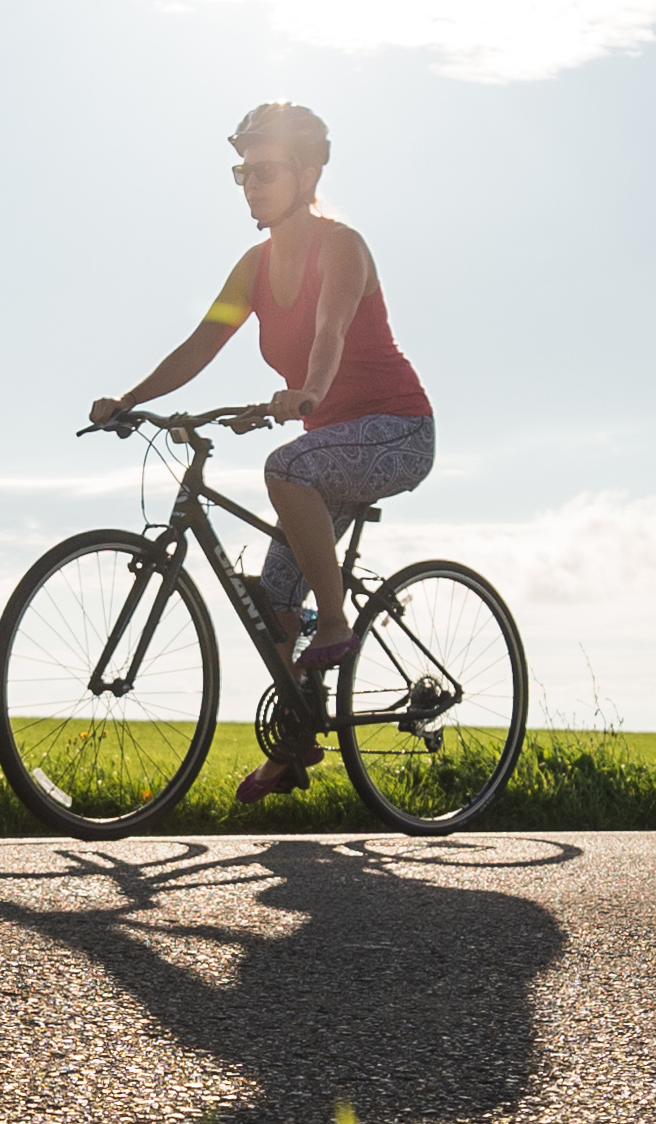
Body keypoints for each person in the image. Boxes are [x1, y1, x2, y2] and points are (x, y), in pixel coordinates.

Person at [87, 101, 436, 801]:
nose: (252, 183)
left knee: (286, 467)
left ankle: (335, 621)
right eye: (243, 170)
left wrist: (306, 390)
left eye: (267, 169)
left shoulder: (342, 246)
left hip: (396, 430)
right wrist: (127, 399)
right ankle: (295, 743)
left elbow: (332, 330)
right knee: (271, 603)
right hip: (328, 447)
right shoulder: (252, 268)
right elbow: (200, 343)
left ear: (308, 174)